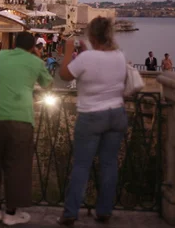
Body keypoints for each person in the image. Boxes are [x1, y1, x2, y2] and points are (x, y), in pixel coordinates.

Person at [57, 17, 128, 225]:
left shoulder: (85, 59)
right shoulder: (119, 56)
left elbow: (64, 75)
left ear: (91, 35)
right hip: (116, 113)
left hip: (91, 115)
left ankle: (70, 212)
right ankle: (104, 210)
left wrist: (69, 50)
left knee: (81, 165)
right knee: (109, 164)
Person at [0, 32, 53, 226]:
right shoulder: (35, 61)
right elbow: (48, 84)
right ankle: (11, 213)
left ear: (13, 44)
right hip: (21, 119)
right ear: (33, 47)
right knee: (17, 166)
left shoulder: (0, 56)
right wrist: (37, 58)